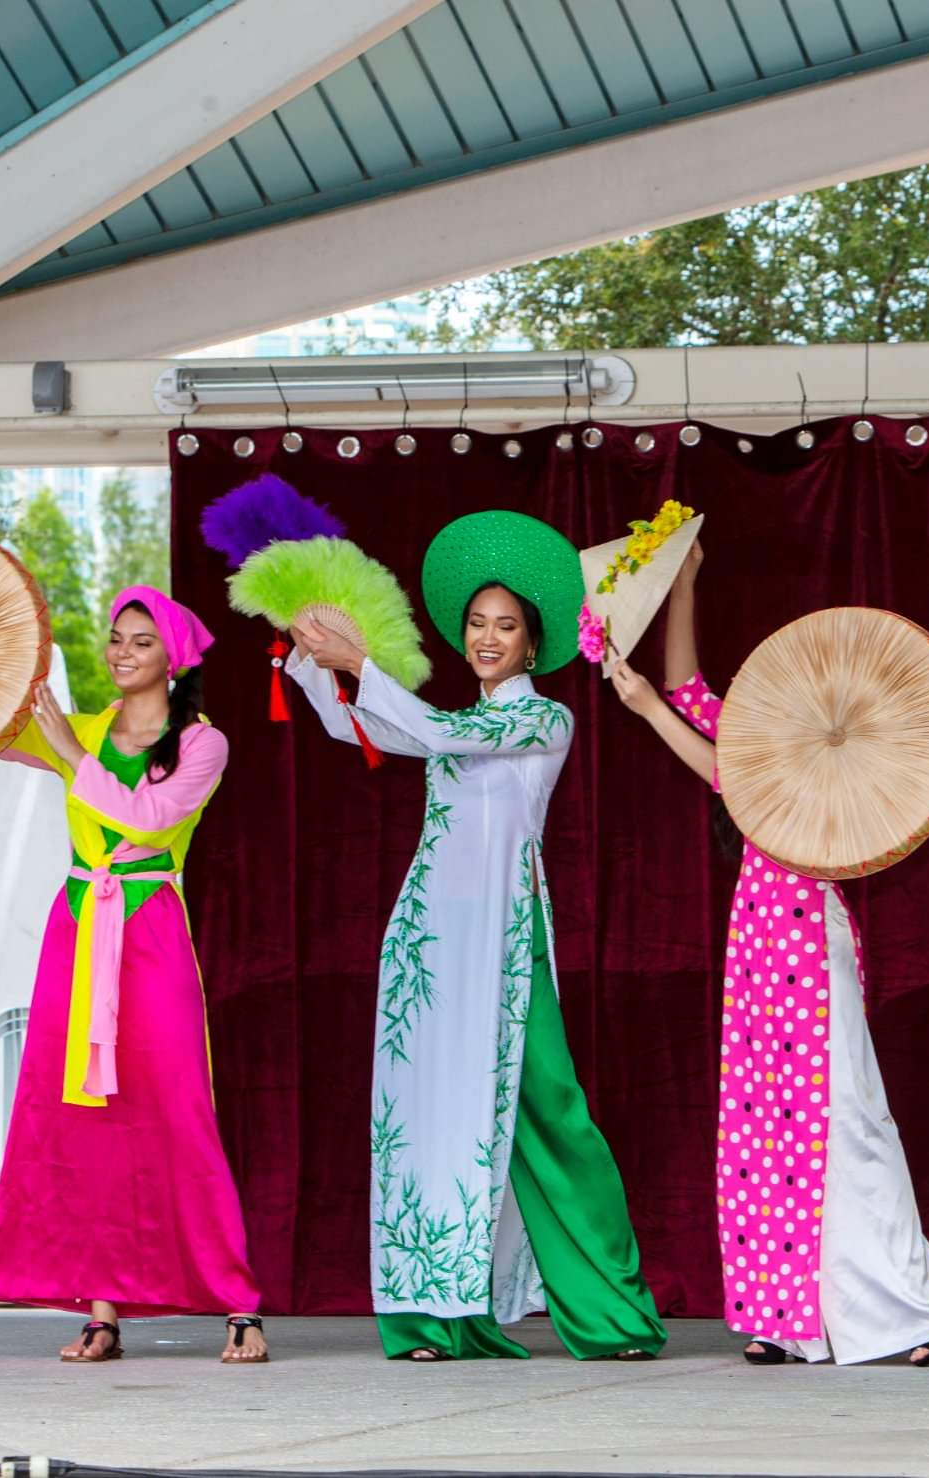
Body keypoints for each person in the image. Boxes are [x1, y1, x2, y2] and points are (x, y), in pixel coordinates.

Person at [287, 511, 665, 1363]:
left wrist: (364, 665)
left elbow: (435, 731)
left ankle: (615, 1314)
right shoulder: (450, 722)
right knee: (427, 1114)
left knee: (554, 1116)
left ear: (533, 646)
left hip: (504, 940)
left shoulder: (542, 721)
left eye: (507, 628)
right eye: (478, 625)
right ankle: (430, 1319)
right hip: (430, 945)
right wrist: (314, 661)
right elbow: (376, 728)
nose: (488, 638)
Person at [606, 542, 929, 1367]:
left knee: (847, 1121)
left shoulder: (831, 764)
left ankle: (909, 1310)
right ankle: (788, 1317)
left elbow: (720, 769)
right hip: (758, 940)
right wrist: (686, 583)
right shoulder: (760, 739)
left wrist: (652, 712)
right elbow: (692, 691)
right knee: (762, 1130)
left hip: (808, 941)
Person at [0, 587, 268, 1366]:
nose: (120, 652)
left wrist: (69, 756)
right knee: (85, 1116)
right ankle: (101, 1311)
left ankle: (238, 1303)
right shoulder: (88, 729)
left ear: (172, 659)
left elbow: (147, 818)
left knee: (176, 1107)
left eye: (139, 642)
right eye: (114, 639)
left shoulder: (203, 744)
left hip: (147, 927)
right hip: (77, 931)